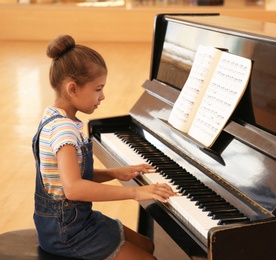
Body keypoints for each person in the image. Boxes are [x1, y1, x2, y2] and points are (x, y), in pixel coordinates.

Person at [32, 35, 176, 260]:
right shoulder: (64, 131)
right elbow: (74, 189)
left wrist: (113, 173)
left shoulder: (54, 117)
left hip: (75, 222)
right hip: (68, 233)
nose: (103, 96)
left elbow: (66, 178)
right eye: (98, 89)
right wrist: (136, 192)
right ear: (73, 89)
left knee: (146, 245)